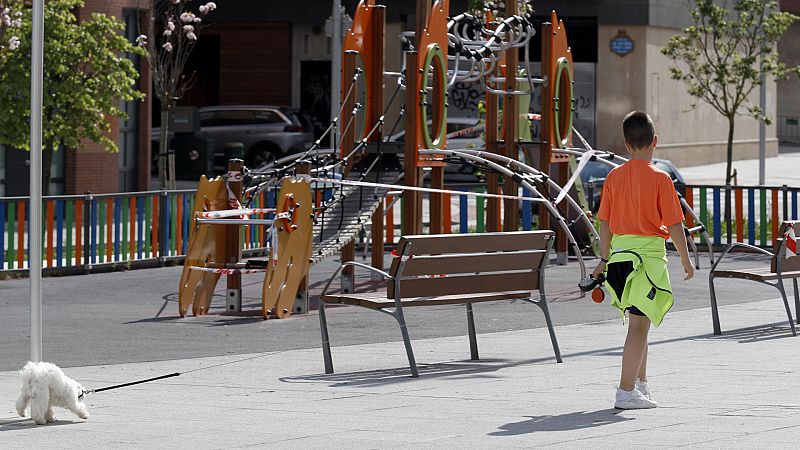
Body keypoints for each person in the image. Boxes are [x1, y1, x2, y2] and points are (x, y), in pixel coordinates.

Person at [593, 110, 694, 409]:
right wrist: (686, 260)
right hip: (647, 261)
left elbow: (604, 223)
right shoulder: (661, 178)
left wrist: (604, 258)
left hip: (620, 260)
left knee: (641, 321)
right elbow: (674, 224)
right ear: (655, 141)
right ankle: (625, 392)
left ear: (626, 144)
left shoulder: (613, 177)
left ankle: (640, 385)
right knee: (639, 326)